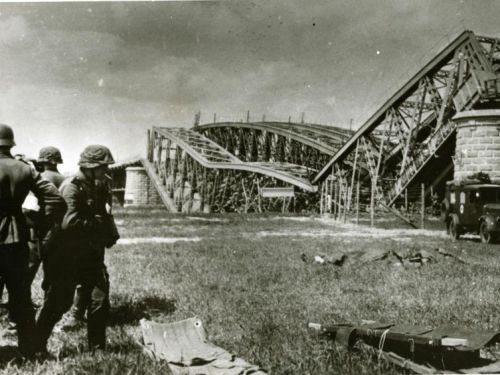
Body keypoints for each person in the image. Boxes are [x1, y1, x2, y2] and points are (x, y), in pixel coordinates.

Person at [36, 145, 119, 352]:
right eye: (104, 166)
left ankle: (97, 349)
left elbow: (103, 215)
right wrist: (97, 225)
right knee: (59, 303)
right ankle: (34, 344)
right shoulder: (71, 186)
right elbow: (69, 223)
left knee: (99, 300)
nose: (107, 170)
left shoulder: (97, 185)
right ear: (91, 166)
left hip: (91, 255)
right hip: (68, 257)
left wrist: (108, 232)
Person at [0, 124, 66, 357]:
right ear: (11, 144)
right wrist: (40, 223)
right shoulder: (26, 170)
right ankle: (29, 350)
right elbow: (56, 200)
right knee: (21, 297)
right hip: (17, 238)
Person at [26, 147, 65, 284]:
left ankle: (23, 301)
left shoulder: (41, 179)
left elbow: (30, 205)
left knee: (29, 266)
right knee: (53, 270)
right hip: (59, 229)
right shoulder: (65, 179)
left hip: (40, 228)